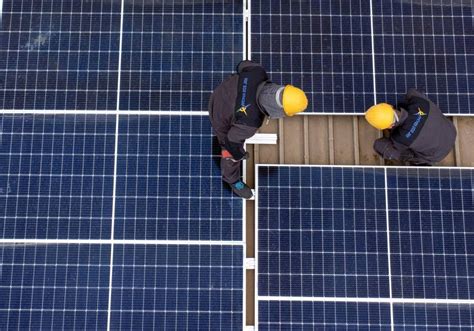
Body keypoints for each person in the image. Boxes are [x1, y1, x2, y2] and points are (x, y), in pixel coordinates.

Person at [208, 60, 308, 198]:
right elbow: (231, 142)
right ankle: (232, 180)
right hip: (218, 115)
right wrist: (238, 154)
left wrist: (244, 86)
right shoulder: (250, 122)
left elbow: (242, 65)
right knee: (230, 151)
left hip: (222, 90)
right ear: (279, 111)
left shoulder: (258, 72)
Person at [365, 88, 456, 166]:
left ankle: (419, 163)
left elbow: (394, 147)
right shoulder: (417, 100)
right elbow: (412, 92)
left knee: (380, 145)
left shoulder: (400, 138)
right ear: (390, 107)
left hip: (437, 155)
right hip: (451, 131)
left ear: (390, 126)